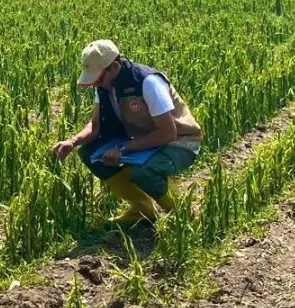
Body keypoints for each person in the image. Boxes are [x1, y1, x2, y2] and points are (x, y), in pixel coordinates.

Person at [51, 39, 202, 225]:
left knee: (143, 173)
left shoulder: (147, 82)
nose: (95, 84)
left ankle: (183, 216)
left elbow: (168, 133)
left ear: (114, 67)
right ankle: (142, 209)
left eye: (98, 78)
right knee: (89, 153)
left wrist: (123, 148)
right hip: (141, 139)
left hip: (179, 142)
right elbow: (96, 125)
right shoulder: (104, 86)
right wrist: (73, 141)